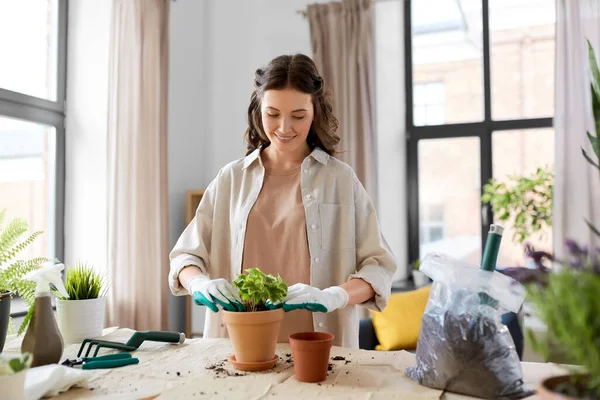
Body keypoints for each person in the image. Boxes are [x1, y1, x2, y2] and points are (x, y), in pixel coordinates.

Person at [168, 53, 397, 348]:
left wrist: (335, 295)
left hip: (318, 350)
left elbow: (378, 266)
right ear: (258, 110)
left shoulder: (340, 179)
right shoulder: (231, 179)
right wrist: (199, 283)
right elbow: (185, 257)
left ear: (315, 112)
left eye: (298, 116)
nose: (284, 127)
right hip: (237, 348)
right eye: (272, 114)